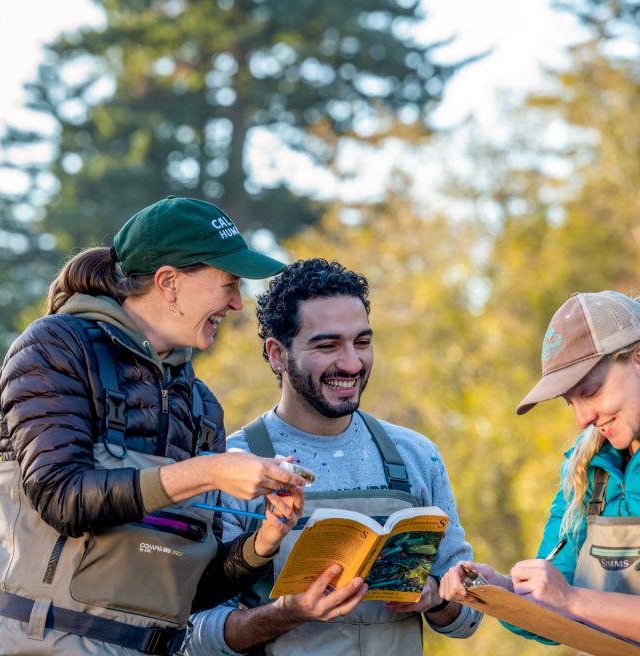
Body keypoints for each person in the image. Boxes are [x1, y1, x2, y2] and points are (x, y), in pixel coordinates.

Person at [0, 196, 308, 656]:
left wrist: (265, 539)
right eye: (228, 284)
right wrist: (209, 472)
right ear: (168, 282)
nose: (236, 303)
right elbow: (62, 497)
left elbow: (184, 586)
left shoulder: (201, 403)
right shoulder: (55, 348)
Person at [187, 258, 482, 656]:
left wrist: (436, 597)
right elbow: (194, 634)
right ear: (277, 354)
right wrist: (287, 613)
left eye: (362, 342)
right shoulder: (233, 467)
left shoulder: (416, 456)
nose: (352, 363)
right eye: (327, 345)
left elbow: (469, 616)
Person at [439, 290, 640, 655]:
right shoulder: (586, 466)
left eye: (590, 391)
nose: (582, 419)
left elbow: (568, 600)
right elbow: (554, 605)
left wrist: (574, 600)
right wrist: (498, 590)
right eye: (570, 402)